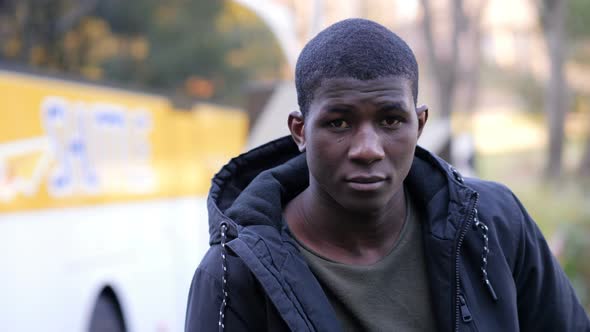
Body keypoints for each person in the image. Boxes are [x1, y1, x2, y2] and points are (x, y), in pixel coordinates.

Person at [185, 18, 590, 331]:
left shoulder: (494, 226)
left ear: (420, 124)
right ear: (300, 130)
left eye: (391, 120)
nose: (367, 149)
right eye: (339, 123)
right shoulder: (233, 275)